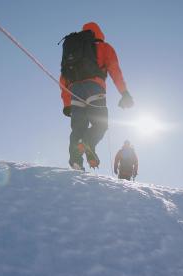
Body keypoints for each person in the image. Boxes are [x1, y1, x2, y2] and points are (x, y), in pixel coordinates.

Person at [60, 22, 134, 170]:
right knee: (100, 124)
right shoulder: (104, 47)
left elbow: (64, 78)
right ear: (99, 33)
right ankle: (87, 142)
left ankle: (76, 160)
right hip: (94, 89)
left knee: (77, 128)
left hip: (75, 92)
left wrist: (67, 103)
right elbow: (115, 71)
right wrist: (124, 93)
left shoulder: (74, 50)